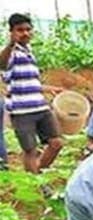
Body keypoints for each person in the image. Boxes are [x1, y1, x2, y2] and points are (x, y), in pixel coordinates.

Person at [0, 13, 64, 174]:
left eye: (28, 29)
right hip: (22, 112)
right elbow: (1, 65)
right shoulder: (11, 52)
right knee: (30, 150)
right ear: (12, 32)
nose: (25, 33)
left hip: (40, 107)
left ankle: (38, 172)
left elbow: (30, 82)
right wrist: (10, 45)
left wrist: (49, 89)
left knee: (56, 143)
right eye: (20, 30)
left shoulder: (29, 51)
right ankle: (36, 183)